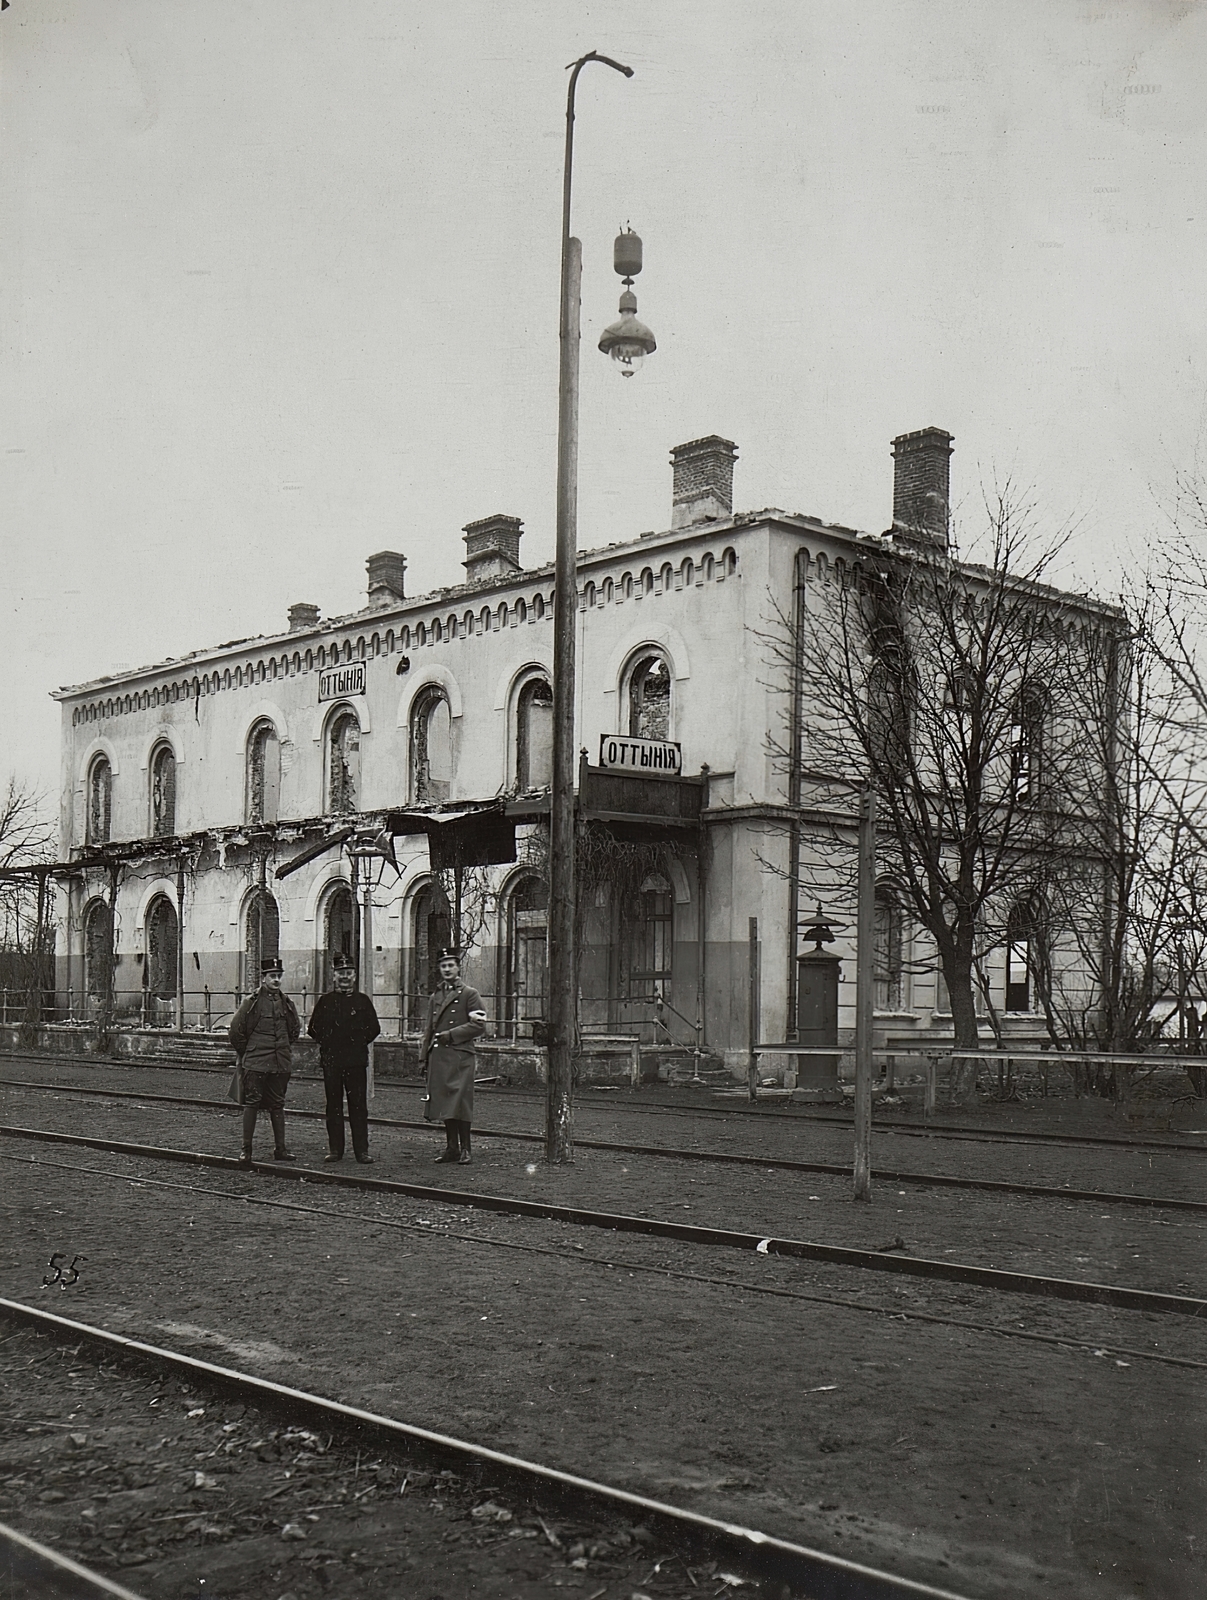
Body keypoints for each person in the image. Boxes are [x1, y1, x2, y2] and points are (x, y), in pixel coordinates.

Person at [307, 953, 381, 1164]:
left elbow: (374, 1028)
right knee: (334, 1106)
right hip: (332, 1062)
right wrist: (330, 1044)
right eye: (341, 973)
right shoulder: (325, 1001)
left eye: (348, 973)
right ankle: (335, 1150)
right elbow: (314, 1029)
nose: (345, 977)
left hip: (356, 1062)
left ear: (355, 976)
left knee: (358, 1106)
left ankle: (361, 1151)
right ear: (334, 976)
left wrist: (356, 1043)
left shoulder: (363, 1001)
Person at [228, 957, 301, 1164]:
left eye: (279, 976)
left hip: (279, 1063)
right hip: (256, 1063)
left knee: (278, 1104)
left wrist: (283, 1049)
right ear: (263, 978)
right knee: (252, 1103)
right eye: (272, 976)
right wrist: (249, 1053)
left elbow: (294, 1030)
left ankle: (281, 1150)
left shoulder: (286, 1003)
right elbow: (235, 1032)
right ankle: (246, 1150)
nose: (276, 980)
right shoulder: (251, 1003)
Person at [421, 947, 487, 1164]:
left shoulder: (470, 994)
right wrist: (424, 1056)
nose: (447, 969)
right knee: (445, 1102)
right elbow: (429, 1028)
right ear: (439, 969)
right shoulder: (436, 996)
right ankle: (452, 1148)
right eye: (443, 966)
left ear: (458, 968)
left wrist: (451, 1035)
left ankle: (466, 1149)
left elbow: (479, 1026)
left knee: (461, 1103)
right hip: (439, 1057)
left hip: (461, 1056)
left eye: (451, 965)